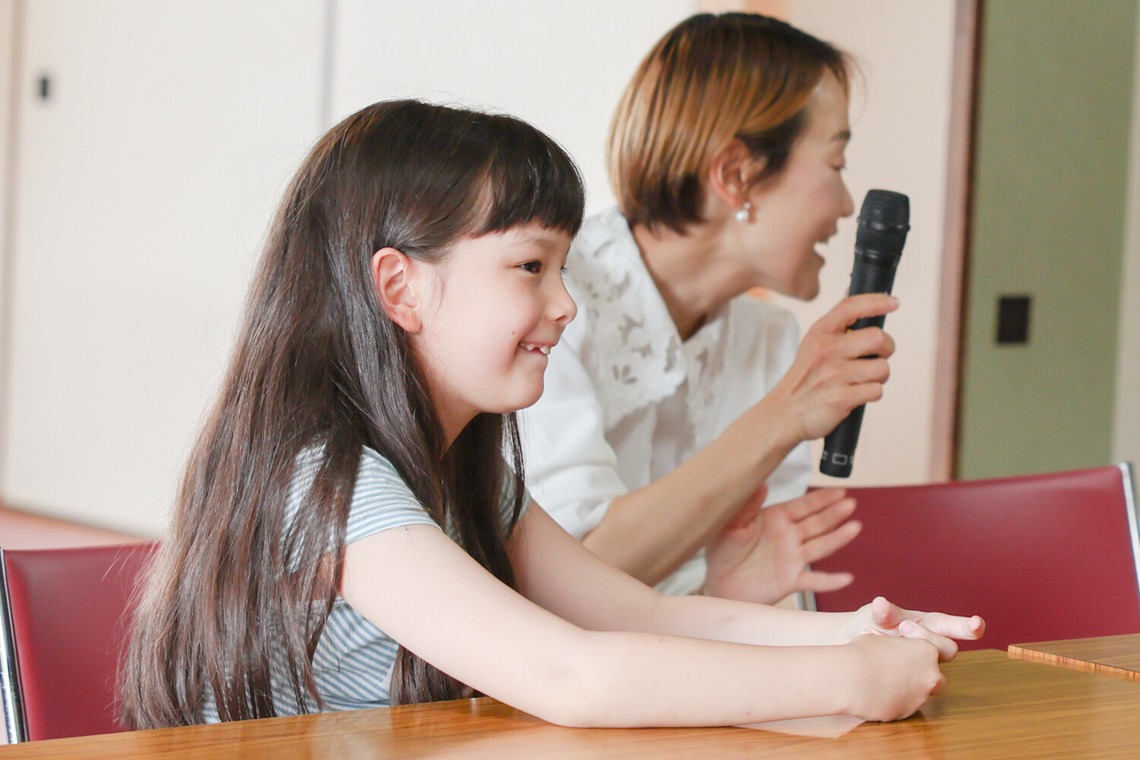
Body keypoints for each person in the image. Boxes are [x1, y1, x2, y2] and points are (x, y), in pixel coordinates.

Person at [121, 98, 982, 730]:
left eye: (564, 267)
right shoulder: (330, 483)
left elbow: (641, 615)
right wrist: (849, 683)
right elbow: (571, 674)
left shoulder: (468, 472)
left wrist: (857, 638)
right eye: (531, 267)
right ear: (400, 287)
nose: (566, 304)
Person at [519, 12, 891, 603]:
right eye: (836, 164)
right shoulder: (548, 298)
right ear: (737, 173)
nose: (847, 205)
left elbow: (771, 586)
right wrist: (781, 416)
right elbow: (567, 579)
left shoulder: (769, 338)